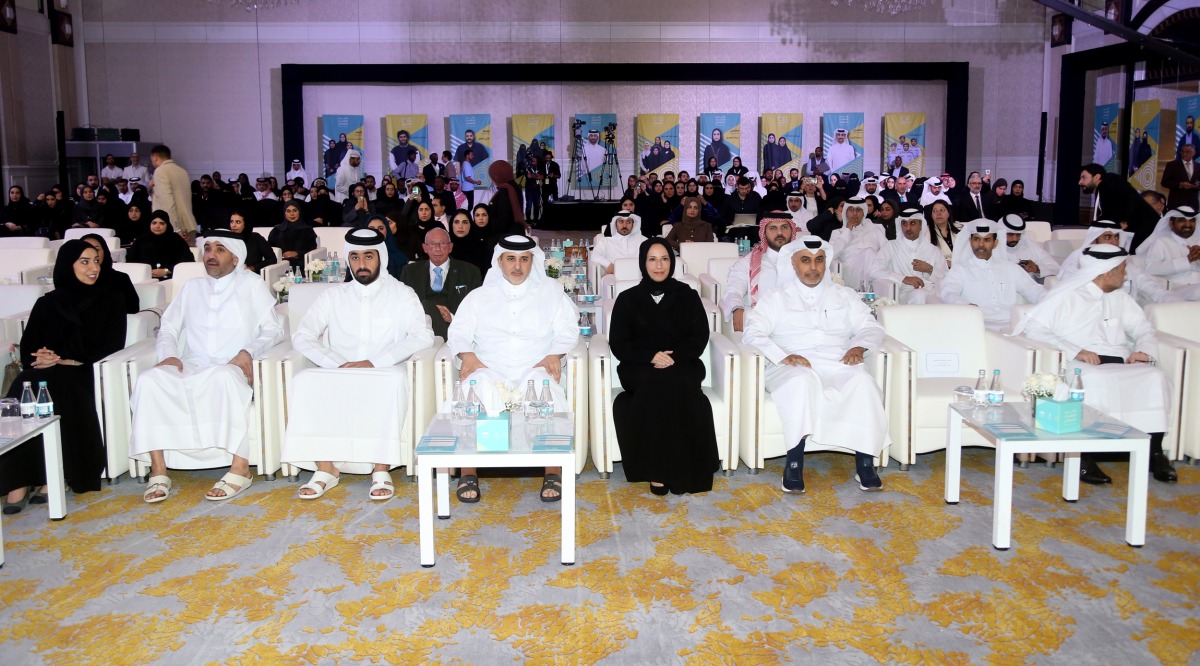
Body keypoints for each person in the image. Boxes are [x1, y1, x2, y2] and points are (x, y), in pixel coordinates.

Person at [130, 229, 285, 503]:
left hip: (231, 364)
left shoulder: (251, 285)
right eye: (208, 249)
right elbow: (168, 327)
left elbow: (274, 330)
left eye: (219, 250)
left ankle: (240, 469)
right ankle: (158, 470)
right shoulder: (192, 287)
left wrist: (247, 352)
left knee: (224, 378)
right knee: (149, 380)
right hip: (192, 362)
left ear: (235, 258)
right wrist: (168, 354)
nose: (211, 255)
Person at [282, 228, 435, 501]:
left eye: (368, 256)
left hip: (385, 370)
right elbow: (302, 335)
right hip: (339, 370)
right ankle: (326, 469)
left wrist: (375, 362)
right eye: (354, 257)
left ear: (381, 258)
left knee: (389, 382)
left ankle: (381, 469)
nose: (361, 264)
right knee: (304, 380)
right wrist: (334, 363)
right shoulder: (333, 295)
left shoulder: (402, 294)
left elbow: (423, 335)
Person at [1013, 244, 1178, 484]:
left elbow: (1143, 328)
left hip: (1121, 362)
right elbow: (1035, 329)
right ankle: (1085, 456)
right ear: (1107, 272)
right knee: (1092, 381)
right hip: (1080, 364)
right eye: (1122, 269)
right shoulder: (1067, 295)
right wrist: (1077, 351)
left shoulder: (1120, 297)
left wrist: (1143, 351)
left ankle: (1155, 451)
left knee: (1154, 377)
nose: (1126, 274)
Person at [742, 236, 887, 493]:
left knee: (863, 382)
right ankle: (794, 463)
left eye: (819, 260)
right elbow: (753, 332)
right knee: (802, 381)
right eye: (806, 260)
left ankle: (865, 462)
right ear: (794, 264)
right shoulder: (776, 297)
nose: (813, 267)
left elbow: (871, 327)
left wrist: (859, 346)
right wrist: (782, 355)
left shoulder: (844, 295)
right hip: (790, 365)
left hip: (838, 361)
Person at [446, 235, 578, 503]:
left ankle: (552, 470)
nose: (517, 266)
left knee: (546, 389)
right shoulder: (478, 296)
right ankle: (468, 471)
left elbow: (568, 329)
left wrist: (555, 353)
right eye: (511, 259)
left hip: (534, 367)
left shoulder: (551, 292)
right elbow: (458, 330)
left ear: (532, 262)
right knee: (474, 390)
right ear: (500, 262)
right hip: (490, 367)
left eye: (524, 259)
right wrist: (467, 355)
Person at [0, 241, 127, 512]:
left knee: (58, 384)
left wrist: (68, 360)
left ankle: (51, 475)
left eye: (96, 261)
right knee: (23, 384)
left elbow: (112, 345)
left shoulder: (111, 298)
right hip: (47, 371)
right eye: (85, 261)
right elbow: (29, 346)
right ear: (67, 265)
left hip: (84, 370)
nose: (93, 267)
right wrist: (42, 357)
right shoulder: (48, 302)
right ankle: (17, 479)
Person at [609, 238, 720, 495]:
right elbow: (619, 344)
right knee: (656, 382)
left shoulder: (688, 295)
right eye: (652, 259)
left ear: (672, 262)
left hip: (682, 362)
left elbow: (699, 338)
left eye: (664, 259)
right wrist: (651, 356)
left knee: (674, 382)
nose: (659, 266)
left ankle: (677, 471)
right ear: (642, 263)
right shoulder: (627, 299)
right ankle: (659, 471)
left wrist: (674, 357)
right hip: (639, 366)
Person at [940, 219, 1046, 331]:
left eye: (987, 240)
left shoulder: (1010, 268)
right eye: (976, 239)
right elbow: (949, 293)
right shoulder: (960, 270)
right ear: (970, 241)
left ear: (995, 243)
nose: (981, 244)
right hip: (979, 326)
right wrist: (967, 306)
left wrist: (1050, 300)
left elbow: (1034, 290)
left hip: (1014, 324)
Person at [1059, 220, 1187, 304]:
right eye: (1108, 237)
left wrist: (1176, 303)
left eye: (1117, 237)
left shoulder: (1124, 264)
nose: (1114, 242)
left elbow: (1152, 288)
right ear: (1093, 241)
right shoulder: (1077, 263)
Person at [400, 227, 482, 340]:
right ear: (425, 248)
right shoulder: (410, 271)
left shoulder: (470, 271)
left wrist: (452, 318)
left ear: (450, 247)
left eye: (442, 243)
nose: (437, 249)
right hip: (420, 332)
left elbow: (478, 309)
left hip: (456, 332)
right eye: (432, 244)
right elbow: (403, 307)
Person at [722, 213, 797, 331]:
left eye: (784, 227)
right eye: (773, 228)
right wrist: (737, 308)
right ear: (764, 233)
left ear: (792, 231)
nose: (779, 233)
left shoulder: (803, 261)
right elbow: (733, 290)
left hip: (797, 324)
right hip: (761, 325)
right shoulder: (749, 262)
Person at [869, 208, 947, 304]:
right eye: (904, 224)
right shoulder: (891, 246)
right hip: (904, 292)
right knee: (919, 295)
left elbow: (946, 277)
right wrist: (903, 278)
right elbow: (874, 271)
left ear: (921, 225)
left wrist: (930, 270)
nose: (908, 228)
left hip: (931, 291)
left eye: (913, 223)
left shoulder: (934, 250)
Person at [1079, 163, 1161, 251]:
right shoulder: (1105, 187)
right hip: (1141, 231)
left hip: (1146, 231)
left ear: (1097, 177)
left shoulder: (1110, 181)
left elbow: (1129, 198)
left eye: (1084, 177)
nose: (1080, 182)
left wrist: (1125, 220)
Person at [830, 198, 887, 292]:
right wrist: (847, 231)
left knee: (870, 254)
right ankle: (867, 294)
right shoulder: (838, 233)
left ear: (864, 212)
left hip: (875, 272)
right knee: (869, 253)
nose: (855, 213)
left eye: (858, 210)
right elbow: (831, 254)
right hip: (848, 273)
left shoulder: (875, 230)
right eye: (851, 209)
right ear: (846, 212)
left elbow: (887, 251)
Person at [1137, 206, 1199, 287]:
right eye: (1182, 220)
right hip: (1175, 289)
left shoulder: (1198, 242)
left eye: (1192, 221)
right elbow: (1150, 269)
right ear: (1171, 224)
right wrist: (1186, 261)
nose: (1188, 224)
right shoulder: (1161, 242)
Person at [125, 209, 195, 280]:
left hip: (171, 279)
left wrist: (167, 270)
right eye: (154, 223)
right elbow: (130, 261)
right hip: (145, 279)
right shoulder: (141, 240)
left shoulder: (176, 240)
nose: (157, 226)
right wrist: (146, 271)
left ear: (167, 224)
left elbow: (188, 260)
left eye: (162, 223)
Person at [79, 233, 139, 313]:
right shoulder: (73, 279)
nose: (92, 253)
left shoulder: (120, 278)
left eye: (96, 249)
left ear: (105, 251)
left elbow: (132, 308)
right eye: (86, 249)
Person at [149, 145, 197, 241]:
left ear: (155, 158)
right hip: (188, 224)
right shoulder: (182, 171)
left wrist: (176, 228)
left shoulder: (160, 171)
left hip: (171, 227)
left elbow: (168, 202)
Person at [1001, 214, 1059, 281]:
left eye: (1018, 235)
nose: (1015, 239)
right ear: (1001, 232)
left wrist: (1037, 268)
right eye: (1010, 234)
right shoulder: (992, 248)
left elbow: (1055, 268)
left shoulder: (1028, 245)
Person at [268, 201, 319, 270]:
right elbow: (270, 249)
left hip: (301, 265)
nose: (292, 214)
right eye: (288, 211)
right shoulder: (277, 230)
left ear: (299, 212)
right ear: (284, 213)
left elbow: (313, 249)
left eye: (295, 210)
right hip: (280, 265)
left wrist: (296, 253)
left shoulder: (307, 230)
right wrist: (281, 255)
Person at [591, 211, 644, 277]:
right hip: (614, 279)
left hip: (639, 279)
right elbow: (594, 256)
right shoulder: (605, 241)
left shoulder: (643, 241)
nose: (624, 225)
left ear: (633, 224)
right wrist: (609, 265)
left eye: (628, 222)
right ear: (615, 224)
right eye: (621, 222)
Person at [362, 213, 409, 280]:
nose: (376, 232)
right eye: (371, 229)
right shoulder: (357, 255)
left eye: (381, 228)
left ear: (387, 231)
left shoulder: (399, 258)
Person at [488, 160, 526, 237]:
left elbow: (503, 219)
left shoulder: (506, 191)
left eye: (493, 176)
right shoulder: (514, 187)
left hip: (507, 237)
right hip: (516, 232)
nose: (492, 179)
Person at [1161, 144, 1199, 210]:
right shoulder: (1172, 165)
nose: (1184, 154)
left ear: (1194, 153)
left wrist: (1197, 185)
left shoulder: (1198, 166)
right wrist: (1180, 184)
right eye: (1182, 151)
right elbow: (1164, 182)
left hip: (1193, 203)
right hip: (1176, 203)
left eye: (1187, 152)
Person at [925, 199, 957, 266]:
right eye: (934, 211)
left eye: (942, 210)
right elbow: (927, 257)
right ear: (931, 215)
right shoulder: (925, 233)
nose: (938, 213)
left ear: (948, 213)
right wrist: (947, 263)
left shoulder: (960, 229)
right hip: (940, 270)